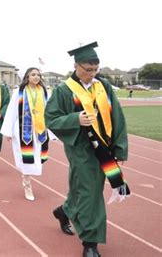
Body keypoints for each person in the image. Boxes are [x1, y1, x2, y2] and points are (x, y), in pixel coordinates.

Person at [44, 42, 130, 257]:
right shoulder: (64, 90)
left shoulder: (103, 86)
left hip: (105, 146)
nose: (91, 75)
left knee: (86, 189)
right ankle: (90, 243)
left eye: (95, 70)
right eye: (87, 70)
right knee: (91, 192)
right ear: (76, 66)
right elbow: (51, 119)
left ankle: (64, 211)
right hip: (80, 148)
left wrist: (119, 148)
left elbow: (117, 116)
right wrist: (75, 119)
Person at [1, 67, 54, 201]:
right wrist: (7, 131)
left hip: (40, 129)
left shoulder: (45, 92)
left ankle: (28, 179)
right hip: (23, 130)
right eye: (33, 74)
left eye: (38, 75)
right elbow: (11, 111)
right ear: (27, 77)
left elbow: (50, 111)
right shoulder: (19, 92)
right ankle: (27, 185)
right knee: (26, 158)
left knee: (37, 157)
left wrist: (52, 131)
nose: (36, 77)